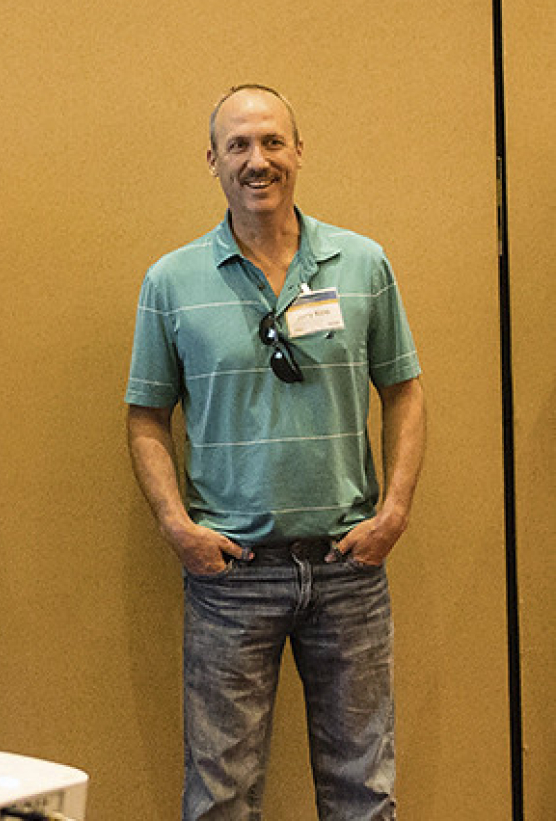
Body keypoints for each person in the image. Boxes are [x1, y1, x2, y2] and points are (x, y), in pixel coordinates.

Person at [125, 85, 426, 820]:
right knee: (220, 796)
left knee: (364, 792)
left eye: (271, 143)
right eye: (238, 146)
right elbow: (145, 418)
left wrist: (394, 511)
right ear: (213, 161)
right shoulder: (172, 281)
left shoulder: (361, 263)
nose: (256, 160)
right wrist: (177, 528)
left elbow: (405, 391)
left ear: (298, 151)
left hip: (349, 568)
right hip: (232, 576)